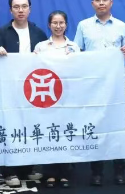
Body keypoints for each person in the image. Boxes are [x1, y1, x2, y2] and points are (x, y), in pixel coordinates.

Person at [73, 0, 125, 186]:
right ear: (92, 4)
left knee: (117, 125)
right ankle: (96, 172)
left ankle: (120, 170)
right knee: (95, 125)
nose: (101, 3)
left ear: (111, 3)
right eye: (97, 0)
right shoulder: (83, 26)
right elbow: (76, 52)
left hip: (114, 84)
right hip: (92, 84)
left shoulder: (121, 26)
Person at [0, 0, 47, 187]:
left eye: (24, 6)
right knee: (9, 127)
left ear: (30, 9)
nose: (21, 10)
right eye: (16, 7)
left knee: (30, 127)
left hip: (32, 89)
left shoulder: (39, 33)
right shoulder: (1, 32)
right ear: (11, 10)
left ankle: (28, 168)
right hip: (9, 89)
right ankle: (9, 171)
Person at [33, 10, 80, 189]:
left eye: (61, 23)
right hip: (47, 95)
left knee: (66, 133)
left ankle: (65, 173)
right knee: (49, 132)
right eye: (55, 23)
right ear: (49, 25)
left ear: (66, 25)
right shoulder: (41, 47)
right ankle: (50, 173)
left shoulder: (74, 47)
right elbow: (33, 68)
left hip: (68, 96)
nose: (58, 26)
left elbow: (79, 70)